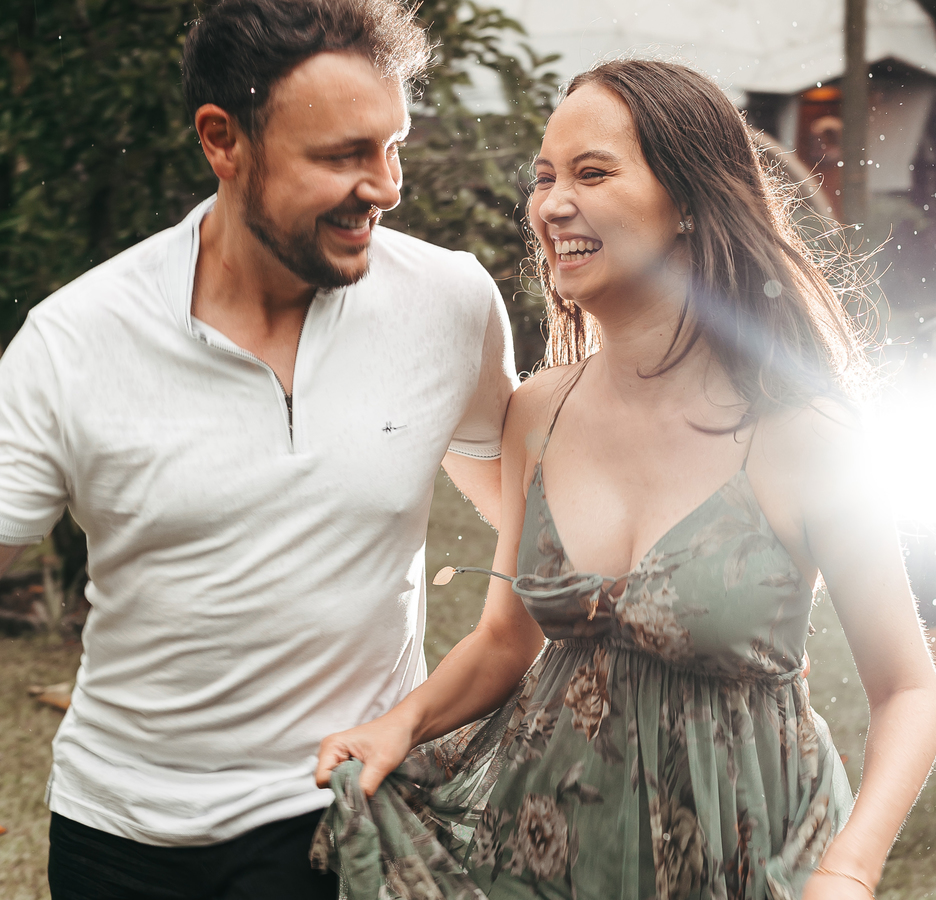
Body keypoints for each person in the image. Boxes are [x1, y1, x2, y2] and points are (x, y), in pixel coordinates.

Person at [0, 2, 519, 898]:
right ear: (223, 141)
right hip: (122, 836)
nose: (385, 185)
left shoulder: (450, 304)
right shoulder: (79, 336)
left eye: (392, 145)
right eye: (340, 156)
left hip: (348, 810)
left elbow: (523, 502)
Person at [314, 59, 936, 900]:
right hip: (551, 851)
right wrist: (398, 727)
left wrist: (851, 870)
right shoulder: (538, 413)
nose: (551, 203)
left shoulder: (803, 432)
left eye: (592, 172)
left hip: (747, 860)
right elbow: (505, 639)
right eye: (543, 178)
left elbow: (906, 687)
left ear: (687, 200)